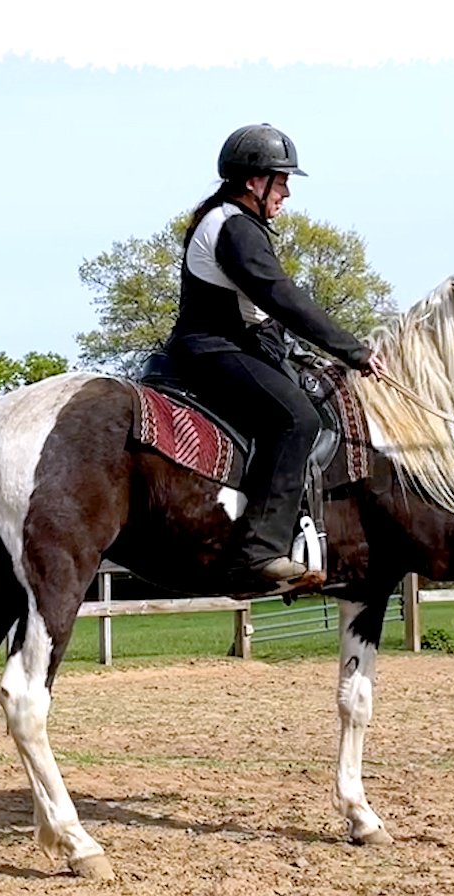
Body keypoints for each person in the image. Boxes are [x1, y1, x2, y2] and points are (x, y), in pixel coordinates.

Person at [165, 123, 386, 583]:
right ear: (254, 182)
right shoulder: (235, 228)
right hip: (212, 349)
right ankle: (259, 551)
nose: (286, 192)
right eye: (281, 181)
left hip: (232, 344)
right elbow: (283, 299)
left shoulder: (234, 222)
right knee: (297, 419)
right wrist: (355, 352)